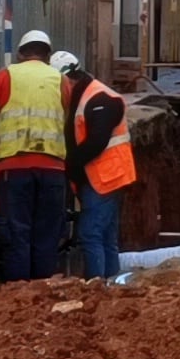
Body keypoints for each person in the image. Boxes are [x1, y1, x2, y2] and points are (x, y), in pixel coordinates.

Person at [0, 31, 77, 280]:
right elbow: (62, 121)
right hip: (53, 169)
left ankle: (18, 297)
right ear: (47, 55)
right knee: (46, 235)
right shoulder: (61, 81)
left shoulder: (5, 76)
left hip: (14, 169)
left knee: (16, 234)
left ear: (21, 54)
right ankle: (43, 293)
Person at [60, 52, 138, 278]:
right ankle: (110, 286)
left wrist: (69, 163)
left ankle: (97, 288)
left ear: (68, 79)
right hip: (103, 176)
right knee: (106, 237)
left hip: (104, 177)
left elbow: (96, 142)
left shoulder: (100, 99)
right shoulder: (85, 96)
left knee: (90, 234)